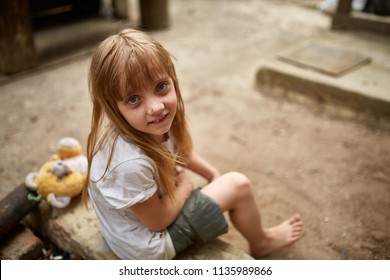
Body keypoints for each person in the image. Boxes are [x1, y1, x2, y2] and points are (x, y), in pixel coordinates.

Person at [83, 28, 303, 260]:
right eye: (134, 99)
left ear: (172, 80)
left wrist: (212, 174)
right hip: (149, 247)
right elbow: (157, 222)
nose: (156, 106)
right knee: (239, 185)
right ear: (113, 107)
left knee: (225, 183)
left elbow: (181, 150)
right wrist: (186, 188)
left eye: (160, 87)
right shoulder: (128, 162)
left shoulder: (150, 124)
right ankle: (262, 242)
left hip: (135, 224)